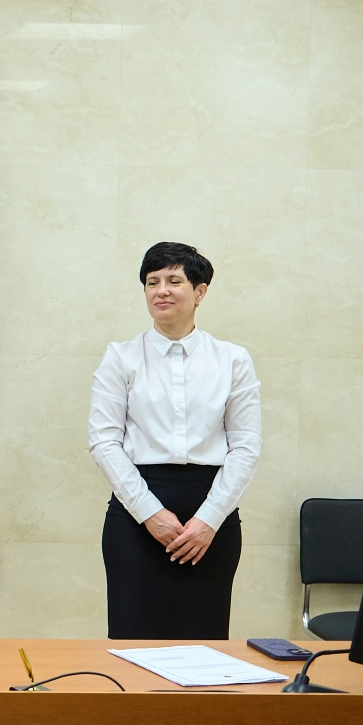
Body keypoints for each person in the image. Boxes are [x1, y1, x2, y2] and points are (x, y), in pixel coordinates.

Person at [89, 241, 262, 640]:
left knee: (203, 642)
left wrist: (208, 520)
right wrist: (150, 512)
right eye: (152, 282)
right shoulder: (121, 357)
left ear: (200, 292)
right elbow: (103, 441)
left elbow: (246, 446)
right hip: (136, 514)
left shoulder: (232, 359)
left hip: (211, 515)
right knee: (134, 639)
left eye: (173, 281)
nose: (161, 291)